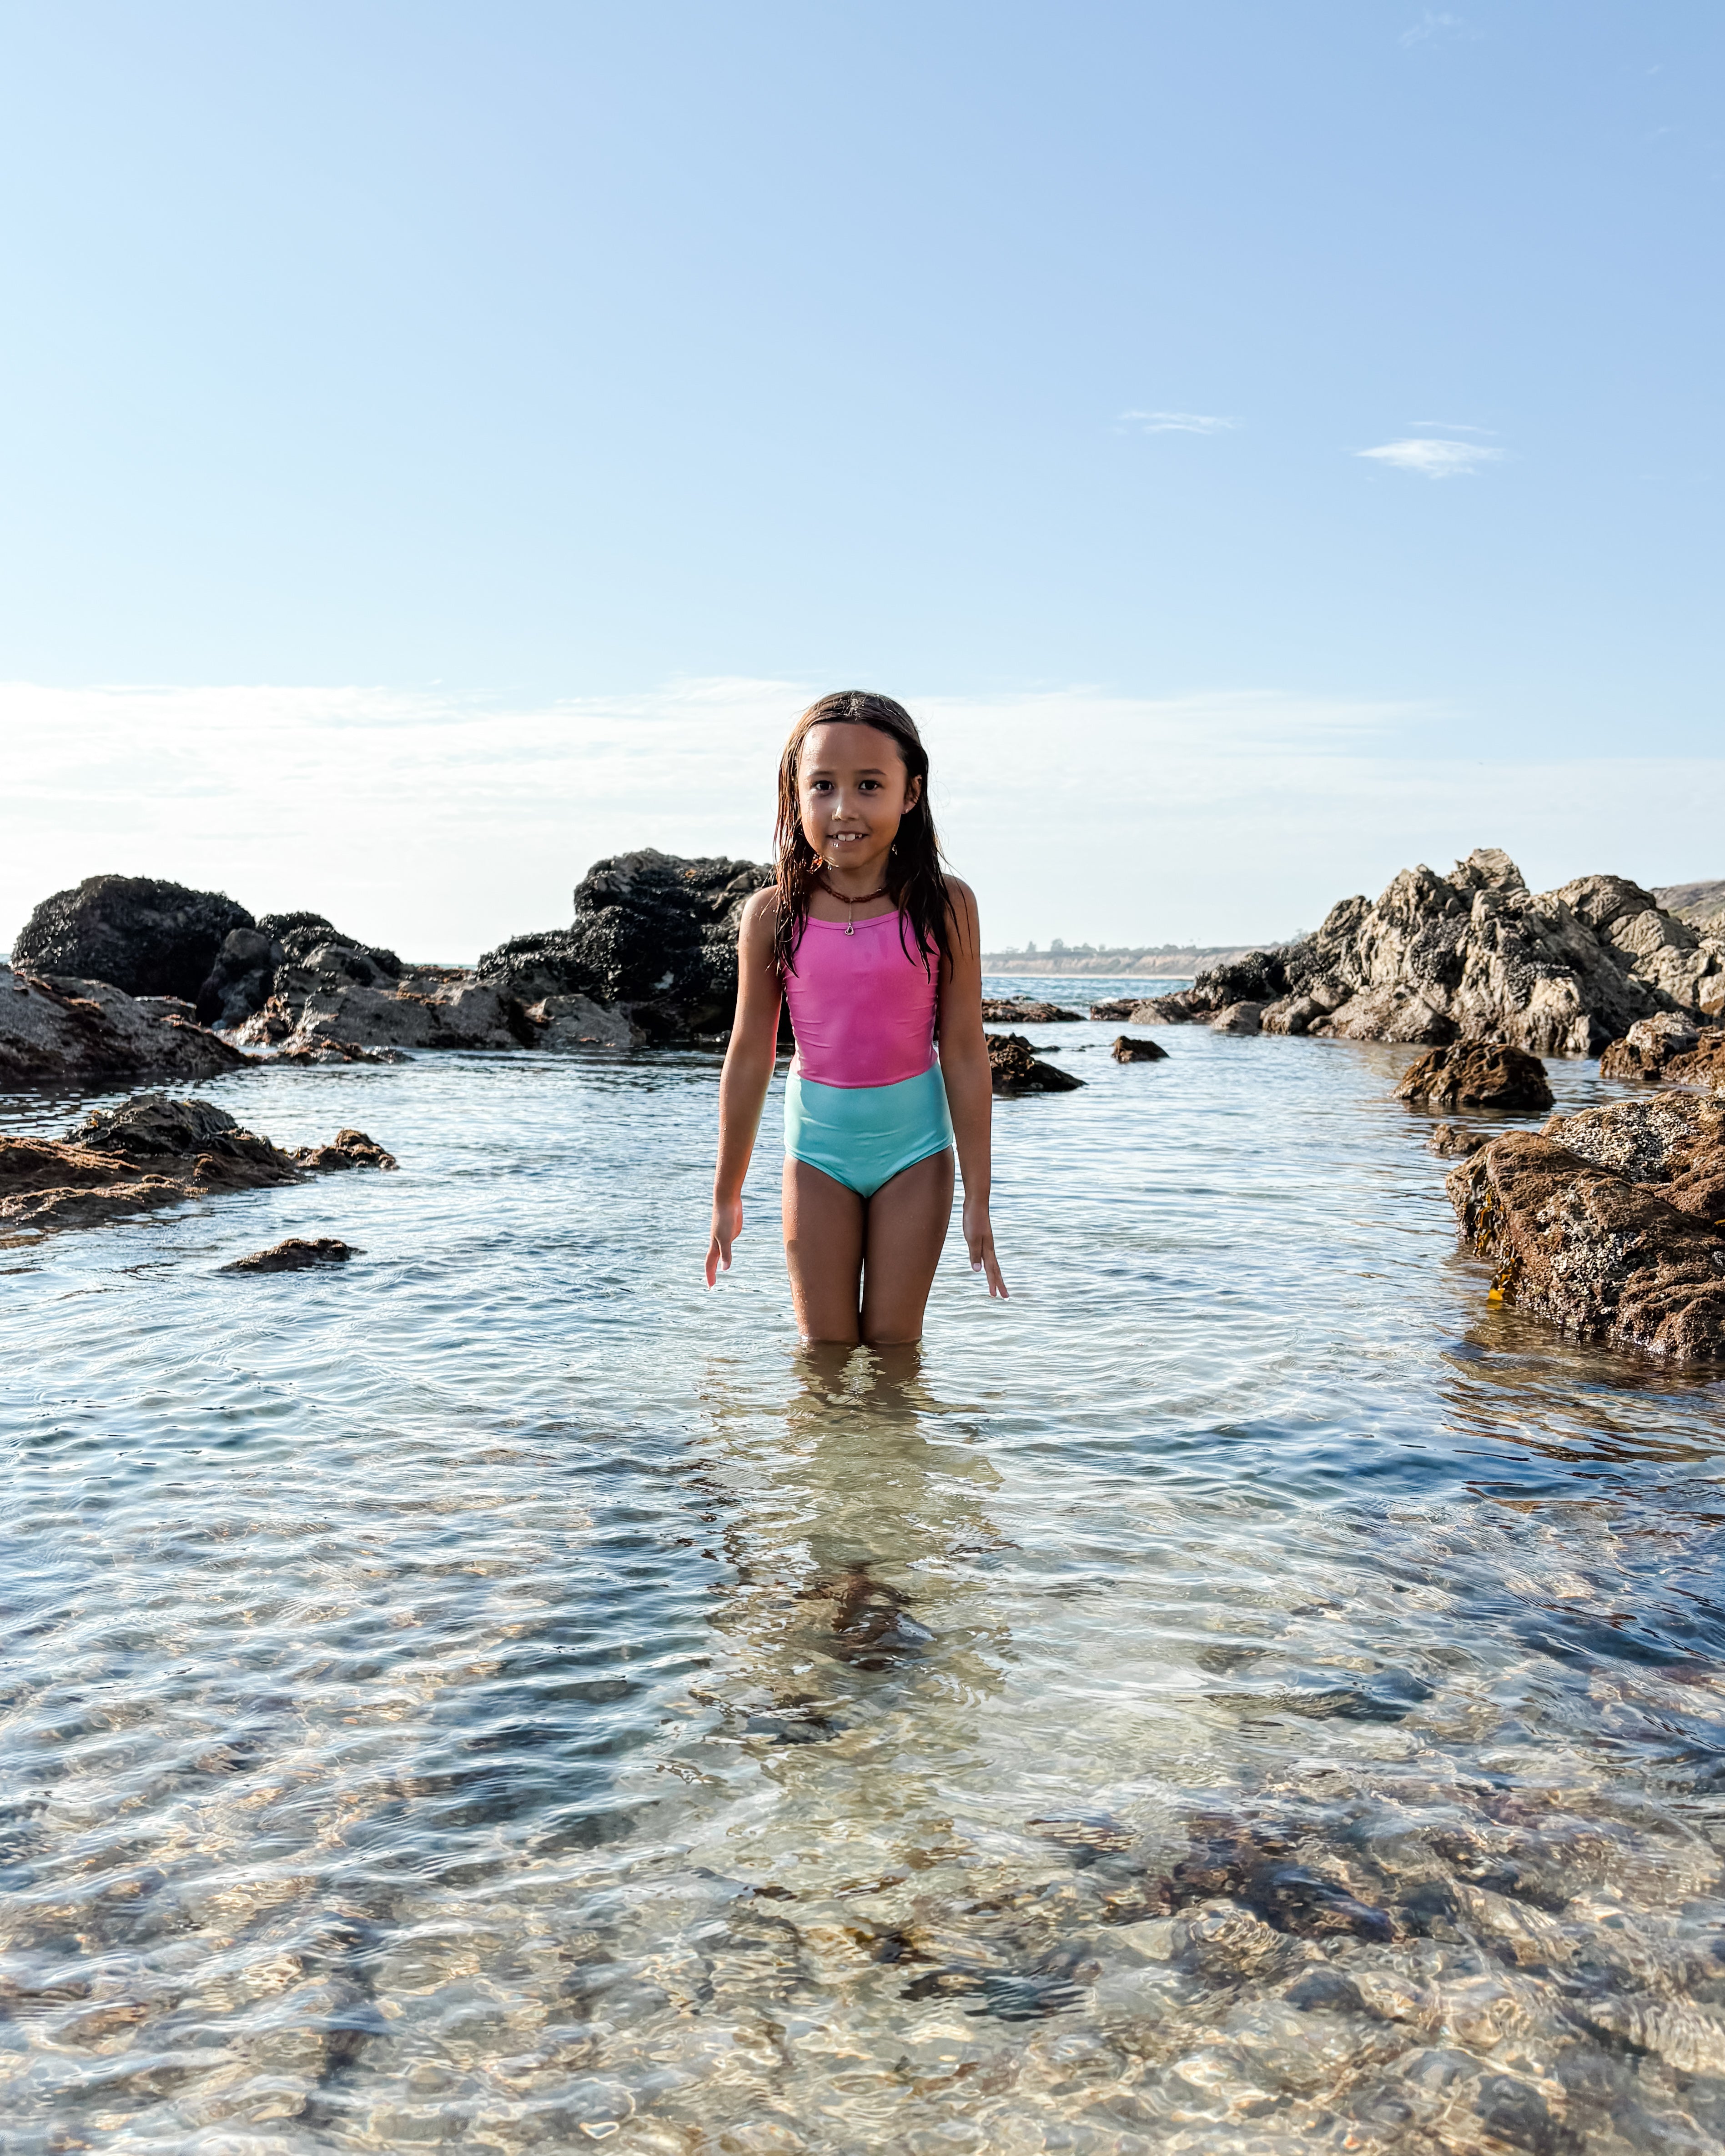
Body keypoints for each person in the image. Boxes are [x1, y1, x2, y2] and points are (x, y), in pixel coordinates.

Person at [705, 690, 1007, 1344]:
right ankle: (827, 1455)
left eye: (869, 785)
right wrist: (726, 1189)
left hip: (916, 1154)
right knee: (823, 1355)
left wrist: (979, 1195)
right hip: (816, 1151)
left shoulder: (946, 906)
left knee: (895, 1353)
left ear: (909, 793)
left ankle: (895, 1455)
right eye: (823, 786)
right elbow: (750, 1054)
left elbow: (961, 1049)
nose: (843, 809)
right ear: (796, 794)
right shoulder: (769, 913)